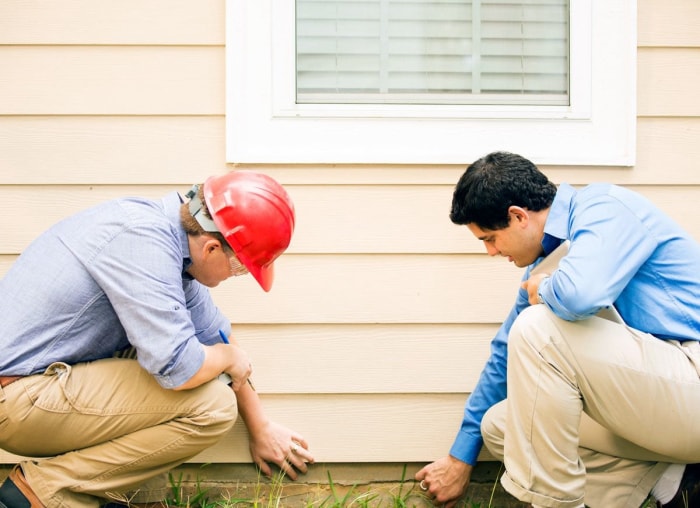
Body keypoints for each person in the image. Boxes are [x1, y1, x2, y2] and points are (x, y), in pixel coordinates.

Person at [0, 170, 315, 508]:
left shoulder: (173, 251)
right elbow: (180, 367)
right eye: (240, 268)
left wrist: (261, 426)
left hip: (38, 392)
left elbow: (217, 335)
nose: (236, 276)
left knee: (159, 362)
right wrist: (225, 358)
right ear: (211, 248)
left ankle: (127, 500)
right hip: (17, 398)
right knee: (211, 404)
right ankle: (38, 492)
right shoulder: (142, 242)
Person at [415, 151, 700, 508]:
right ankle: (671, 482)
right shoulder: (544, 269)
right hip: (661, 407)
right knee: (501, 425)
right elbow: (504, 356)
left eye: (489, 238)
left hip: (692, 377)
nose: (490, 251)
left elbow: (582, 295)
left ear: (518, 216)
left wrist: (545, 289)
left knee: (537, 328)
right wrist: (461, 457)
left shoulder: (603, 207)